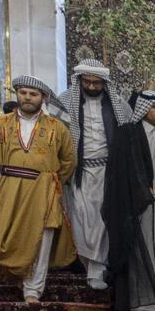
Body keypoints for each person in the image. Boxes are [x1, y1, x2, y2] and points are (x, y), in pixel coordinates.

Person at [0, 76, 78, 302]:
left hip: (42, 190)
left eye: (33, 94)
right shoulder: (0, 124)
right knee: (1, 235)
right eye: (23, 93)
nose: (27, 97)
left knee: (41, 238)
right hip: (8, 188)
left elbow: (69, 160)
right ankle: (16, 275)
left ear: (43, 98)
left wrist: (52, 180)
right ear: (17, 94)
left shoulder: (57, 127)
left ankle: (33, 289)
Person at [104, 92, 155, 311]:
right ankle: (139, 303)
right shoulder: (128, 133)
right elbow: (120, 170)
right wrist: (141, 189)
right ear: (142, 109)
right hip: (137, 203)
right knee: (140, 247)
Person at [56, 59, 130, 290]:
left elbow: (129, 135)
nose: (91, 86)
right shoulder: (64, 102)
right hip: (77, 172)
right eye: (86, 81)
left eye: (96, 82)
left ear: (104, 83)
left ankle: (96, 271)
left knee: (101, 221)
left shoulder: (118, 104)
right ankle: (90, 266)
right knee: (78, 218)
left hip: (107, 172)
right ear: (79, 80)